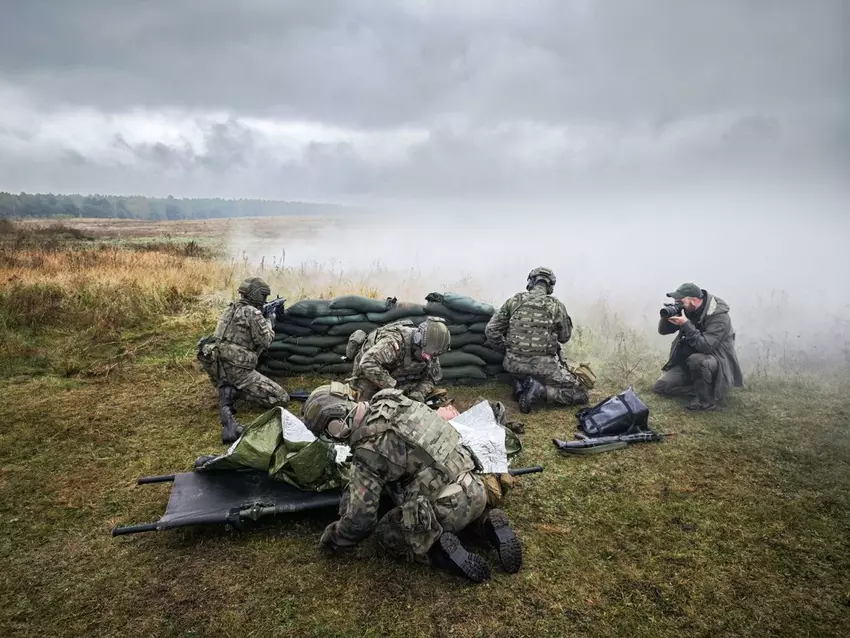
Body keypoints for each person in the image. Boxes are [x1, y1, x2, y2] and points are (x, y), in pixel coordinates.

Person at [300, 382, 523, 583]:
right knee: (452, 500)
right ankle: (487, 525)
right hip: (476, 486)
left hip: (447, 508)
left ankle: (440, 553)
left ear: (337, 426)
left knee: (387, 533)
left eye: (328, 434)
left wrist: (333, 539)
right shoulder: (391, 399)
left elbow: (360, 522)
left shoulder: (368, 452)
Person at [197, 277, 290, 444]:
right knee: (281, 398)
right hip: (238, 370)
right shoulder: (253, 313)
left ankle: (228, 391)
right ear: (255, 294)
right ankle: (234, 398)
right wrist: (269, 321)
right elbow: (266, 341)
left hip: (219, 368)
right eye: (263, 295)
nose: (264, 299)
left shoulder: (230, 309)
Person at [485, 267, 589, 413]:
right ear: (550, 286)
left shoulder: (514, 301)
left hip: (513, 365)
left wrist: (507, 350)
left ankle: (522, 384)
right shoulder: (556, 306)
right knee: (582, 393)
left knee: (523, 371)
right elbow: (564, 338)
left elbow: (491, 330)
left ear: (531, 282)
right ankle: (540, 391)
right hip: (544, 369)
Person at [653, 282, 744, 411]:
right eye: (675, 301)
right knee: (661, 387)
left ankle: (706, 400)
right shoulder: (687, 309)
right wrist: (666, 315)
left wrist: (686, 324)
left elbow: (706, 346)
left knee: (697, 360)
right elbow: (663, 331)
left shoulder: (719, 316)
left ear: (694, 301)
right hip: (688, 362)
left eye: (680, 301)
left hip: (714, 362)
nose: (677, 303)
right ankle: (697, 388)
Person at [345, 317, 451, 402]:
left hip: (395, 374)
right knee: (365, 411)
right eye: (427, 354)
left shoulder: (431, 350)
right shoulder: (394, 342)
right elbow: (367, 363)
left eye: (432, 355)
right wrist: (393, 388)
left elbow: (432, 377)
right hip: (369, 374)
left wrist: (418, 393)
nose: (429, 358)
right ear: (418, 340)